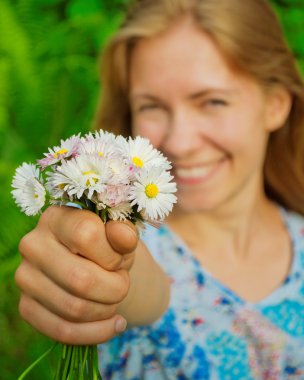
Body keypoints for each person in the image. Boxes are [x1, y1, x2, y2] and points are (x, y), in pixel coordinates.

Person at [15, 0, 304, 378]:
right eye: (152, 106)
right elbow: (136, 282)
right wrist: (106, 264)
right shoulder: (137, 244)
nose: (180, 143)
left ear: (275, 105)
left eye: (213, 101)